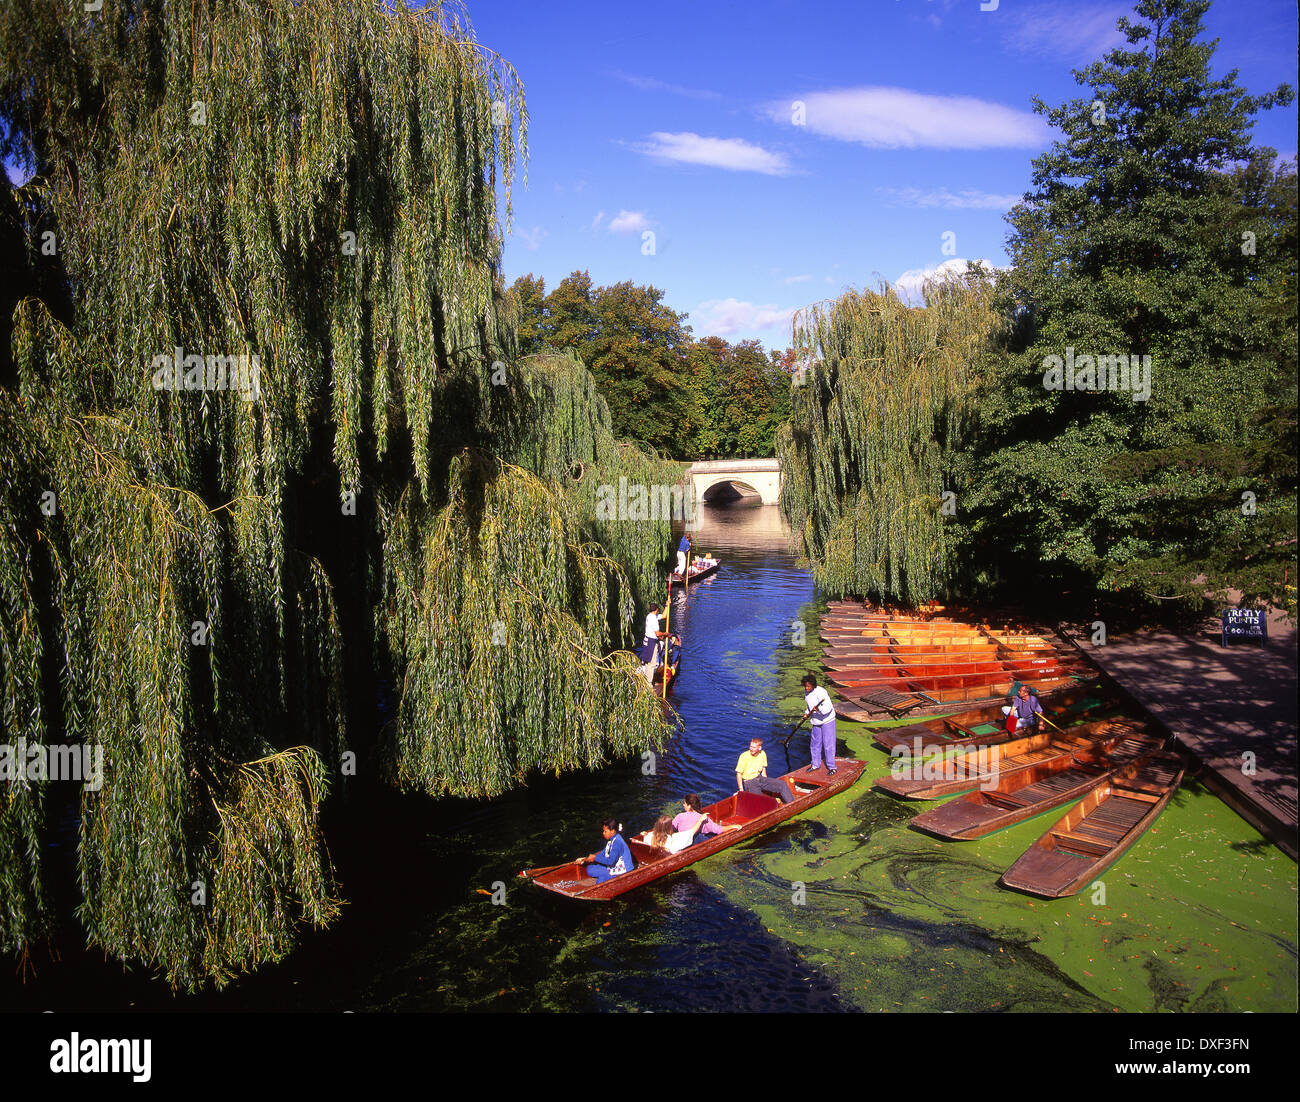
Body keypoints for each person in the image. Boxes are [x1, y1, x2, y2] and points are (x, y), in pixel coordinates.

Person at [734, 737, 794, 804]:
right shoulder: (744, 756)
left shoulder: (762, 754)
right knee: (760, 801)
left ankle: (792, 804)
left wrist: (766, 782)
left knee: (782, 784)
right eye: (750, 746)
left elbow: (763, 769)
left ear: (759, 748)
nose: (751, 749)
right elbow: (738, 773)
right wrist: (741, 789)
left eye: (754, 747)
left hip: (760, 779)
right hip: (750, 782)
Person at [801, 674, 837, 775]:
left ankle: (832, 767)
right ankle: (815, 764)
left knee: (828, 744)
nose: (807, 688)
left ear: (813, 685)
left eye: (808, 686)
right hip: (816, 721)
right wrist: (807, 712)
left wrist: (819, 709)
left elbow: (828, 708)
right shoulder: (806, 692)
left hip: (827, 720)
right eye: (805, 686)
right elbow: (809, 706)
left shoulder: (821, 692)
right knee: (815, 744)